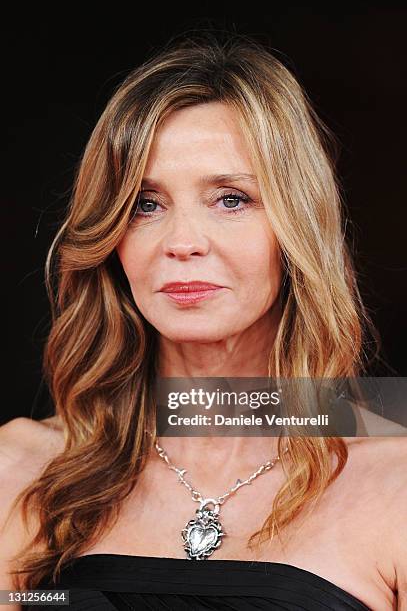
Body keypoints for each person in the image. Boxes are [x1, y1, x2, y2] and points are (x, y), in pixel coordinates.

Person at [0, 30, 406, 611]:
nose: (182, 242)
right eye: (146, 205)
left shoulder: (395, 480)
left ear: (296, 229)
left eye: (230, 199)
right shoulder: (23, 471)